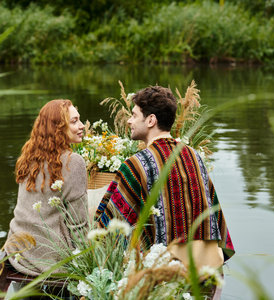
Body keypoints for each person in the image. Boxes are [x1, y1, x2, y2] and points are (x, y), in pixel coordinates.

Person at [94, 86, 235, 273]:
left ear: (151, 120)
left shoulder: (136, 164)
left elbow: (107, 227)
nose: (129, 121)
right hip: (206, 267)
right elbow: (214, 214)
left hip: (165, 271)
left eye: (134, 115)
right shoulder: (194, 155)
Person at [4, 99, 88, 277]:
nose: (81, 126)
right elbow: (79, 225)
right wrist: (89, 264)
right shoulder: (74, 161)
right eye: (74, 122)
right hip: (50, 260)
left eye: (79, 120)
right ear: (58, 127)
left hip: (18, 249)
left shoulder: (28, 157)